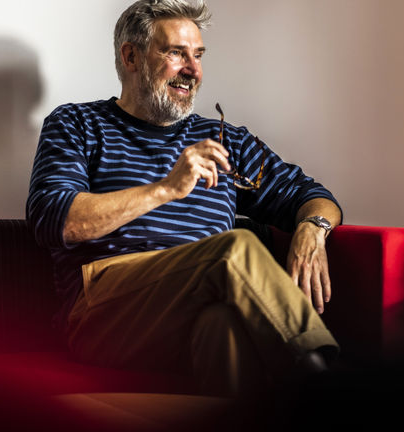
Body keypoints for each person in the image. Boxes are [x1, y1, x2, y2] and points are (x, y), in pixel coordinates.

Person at [26, 0, 343, 398]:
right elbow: (55, 220)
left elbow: (311, 195)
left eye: (198, 55)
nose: (193, 70)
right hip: (104, 310)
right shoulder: (77, 124)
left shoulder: (227, 141)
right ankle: (326, 384)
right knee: (232, 250)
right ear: (131, 56)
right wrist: (166, 189)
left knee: (222, 326)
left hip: (195, 306)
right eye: (176, 53)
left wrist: (313, 230)